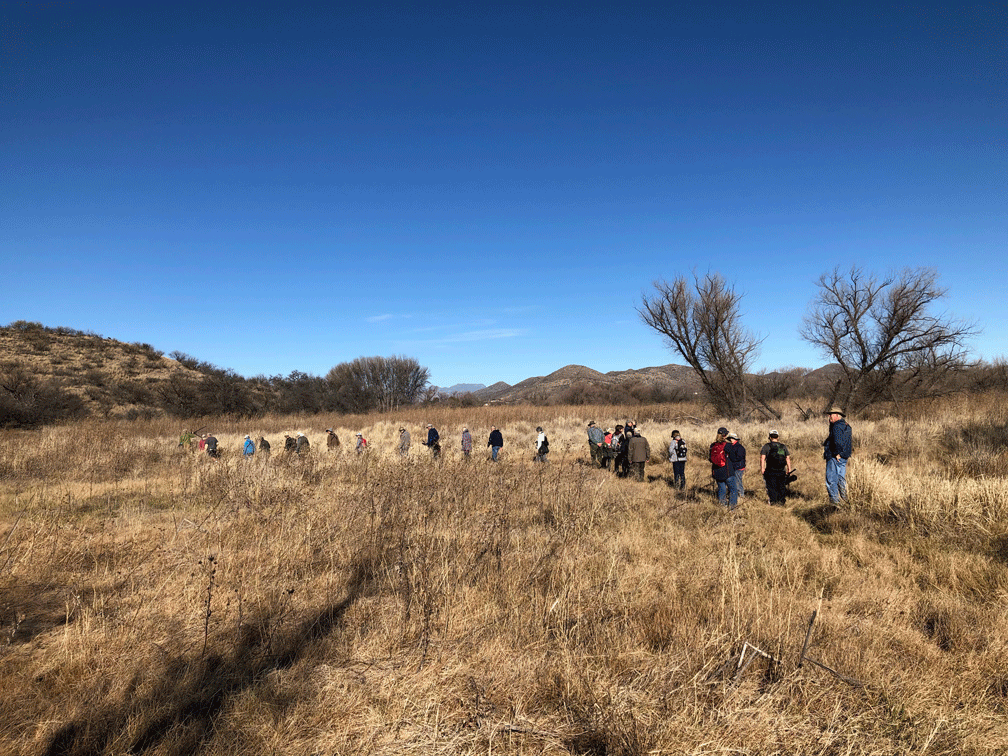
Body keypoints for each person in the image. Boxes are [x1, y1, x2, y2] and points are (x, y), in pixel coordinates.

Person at [823, 407, 852, 505]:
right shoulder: (847, 426)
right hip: (844, 457)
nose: (829, 416)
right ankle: (845, 501)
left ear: (836, 415)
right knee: (841, 480)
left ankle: (835, 504)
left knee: (831, 481)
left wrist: (836, 453)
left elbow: (837, 442)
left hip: (835, 457)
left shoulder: (836, 427)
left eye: (831, 414)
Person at [760, 430, 791, 505]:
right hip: (781, 470)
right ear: (778, 437)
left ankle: (773, 502)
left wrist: (762, 468)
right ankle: (781, 502)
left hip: (770, 470)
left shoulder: (766, 446)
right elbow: (787, 458)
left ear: (770, 437)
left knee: (771, 486)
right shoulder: (783, 446)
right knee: (781, 486)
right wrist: (789, 468)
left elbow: (762, 458)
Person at [709, 427, 737, 509]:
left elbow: (710, 458)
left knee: (721, 489)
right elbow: (733, 457)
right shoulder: (728, 445)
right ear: (725, 436)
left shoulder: (712, 445)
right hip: (727, 471)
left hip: (717, 471)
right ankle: (732, 508)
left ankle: (722, 506)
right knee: (733, 490)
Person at [727, 432, 747, 499]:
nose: (730, 440)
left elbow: (739, 457)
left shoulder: (739, 447)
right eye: (730, 439)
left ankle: (741, 495)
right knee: (734, 482)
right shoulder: (731, 446)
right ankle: (735, 495)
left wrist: (730, 459)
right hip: (734, 467)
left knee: (738, 482)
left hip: (739, 467)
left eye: (731, 438)